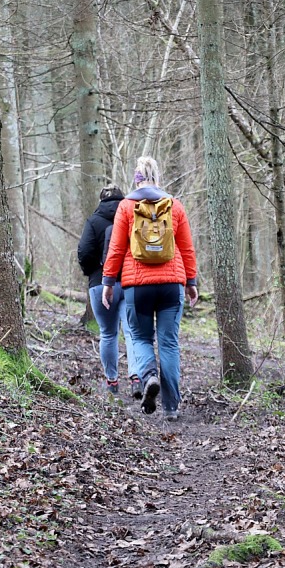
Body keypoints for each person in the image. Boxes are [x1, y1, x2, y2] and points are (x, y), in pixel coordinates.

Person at [102, 157, 198, 421]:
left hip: (137, 286)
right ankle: (171, 407)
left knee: (141, 338)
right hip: (171, 285)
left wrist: (108, 282)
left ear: (137, 178)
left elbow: (117, 248)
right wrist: (191, 282)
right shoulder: (175, 206)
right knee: (169, 343)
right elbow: (187, 248)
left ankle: (149, 376)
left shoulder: (126, 206)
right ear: (157, 176)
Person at [77, 184, 142, 399]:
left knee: (108, 333)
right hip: (131, 283)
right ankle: (136, 377)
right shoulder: (132, 217)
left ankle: (112, 382)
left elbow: (84, 251)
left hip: (100, 283)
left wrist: (94, 272)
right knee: (132, 333)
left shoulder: (93, 221)